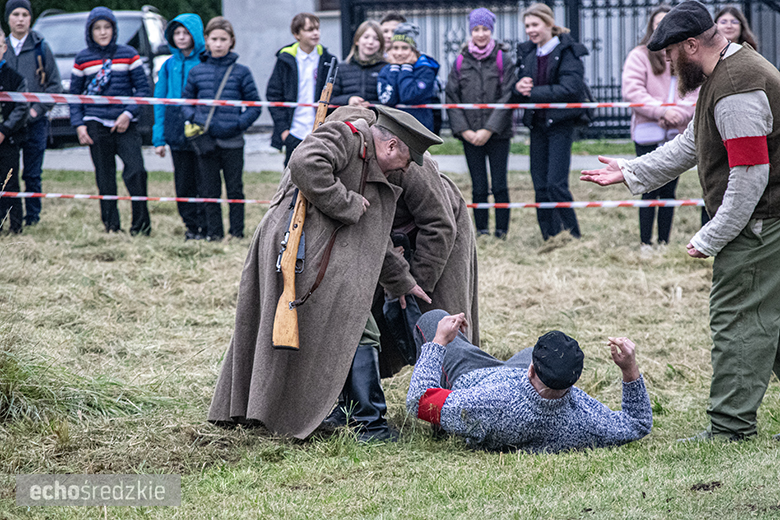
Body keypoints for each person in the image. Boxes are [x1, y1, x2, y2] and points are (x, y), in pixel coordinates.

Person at [581, 1, 780, 442]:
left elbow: (750, 177)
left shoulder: (736, 87)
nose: (667, 63)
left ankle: (729, 428)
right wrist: (630, 172)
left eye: (670, 54)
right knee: (770, 317)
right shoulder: (725, 73)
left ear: (691, 45)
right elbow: (691, 143)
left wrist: (712, 235)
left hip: (762, 222)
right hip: (767, 218)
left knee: (739, 319)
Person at [208, 105, 443, 442]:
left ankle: (349, 413)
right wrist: (345, 201)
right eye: (407, 160)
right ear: (391, 147)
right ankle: (369, 424)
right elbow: (305, 163)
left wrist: (404, 282)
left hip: (321, 253)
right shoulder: (346, 136)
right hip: (297, 248)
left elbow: (373, 236)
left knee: (353, 328)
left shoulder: (375, 166)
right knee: (357, 327)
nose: (407, 169)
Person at [323, 152, 480, 430]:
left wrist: (412, 285)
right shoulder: (336, 160)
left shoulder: (409, 161)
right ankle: (353, 405)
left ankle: (458, 411)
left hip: (439, 235)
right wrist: (395, 275)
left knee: (439, 316)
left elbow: (439, 226)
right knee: (359, 311)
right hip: (382, 242)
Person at [407, 310, 652, 452]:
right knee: (526, 351)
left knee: (433, 317)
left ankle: (439, 426)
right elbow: (637, 423)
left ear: (532, 370)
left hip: (473, 378)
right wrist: (630, 369)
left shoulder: (481, 404)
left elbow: (419, 400)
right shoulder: (584, 419)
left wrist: (439, 342)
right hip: (514, 380)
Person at [69, 7, 151, 236]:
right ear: (90, 31)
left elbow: (143, 90)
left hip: (125, 123)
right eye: (97, 28)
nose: (103, 32)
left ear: (114, 29)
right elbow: (74, 97)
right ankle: (111, 226)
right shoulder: (82, 59)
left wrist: (128, 113)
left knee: (136, 172)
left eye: (107, 27)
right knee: (105, 177)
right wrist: (79, 124)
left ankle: (141, 227)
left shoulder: (129, 55)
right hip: (95, 123)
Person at [622, 5, 697, 250]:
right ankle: (646, 242)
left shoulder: (688, 56)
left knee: (669, 190)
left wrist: (678, 114)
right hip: (648, 131)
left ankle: (664, 242)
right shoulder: (639, 55)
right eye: (658, 23)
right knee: (647, 187)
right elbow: (633, 91)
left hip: (677, 131)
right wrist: (662, 111)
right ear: (651, 27)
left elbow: (696, 92)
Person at [512, 3, 589, 241]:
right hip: (537, 126)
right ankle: (549, 236)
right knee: (540, 185)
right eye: (527, 26)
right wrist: (518, 87)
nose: (530, 30)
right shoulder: (527, 53)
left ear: (549, 24)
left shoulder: (568, 51)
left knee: (556, 183)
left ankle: (572, 235)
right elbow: (518, 92)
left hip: (560, 125)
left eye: (535, 25)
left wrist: (533, 91)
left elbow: (571, 88)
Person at [181, 16, 261, 242]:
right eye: (214, 39)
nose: (218, 43)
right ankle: (214, 234)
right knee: (209, 190)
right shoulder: (196, 71)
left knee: (235, 189)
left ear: (231, 41)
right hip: (205, 140)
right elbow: (186, 102)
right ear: (206, 40)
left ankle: (237, 233)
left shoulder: (241, 72)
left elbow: (255, 105)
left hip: (233, 141)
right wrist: (196, 120)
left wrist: (238, 124)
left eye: (223, 39)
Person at [446, 8, 516, 239]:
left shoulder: (502, 59)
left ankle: (502, 231)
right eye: (476, 29)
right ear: (470, 31)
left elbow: (508, 96)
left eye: (485, 29)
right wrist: (465, 130)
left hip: (498, 134)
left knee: (499, 184)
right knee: (478, 185)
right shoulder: (459, 61)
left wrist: (489, 129)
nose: (481, 34)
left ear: (491, 30)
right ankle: (482, 230)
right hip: (469, 134)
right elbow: (451, 96)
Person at [3, 0, 61, 227]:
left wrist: (36, 110)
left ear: (30, 18)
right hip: (9, 124)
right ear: (8, 18)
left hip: (35, 122)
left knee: (33, 174)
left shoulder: (41, 47)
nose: (20, 19)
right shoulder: (2, 46)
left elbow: (55, 87)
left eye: (24, 14)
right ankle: (10, 216)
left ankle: (32, 217)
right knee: (8, 173)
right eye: (15, 14)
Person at [153, 14, 207, 241]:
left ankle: (206, 226)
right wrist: (159, 138)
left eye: (186, 33)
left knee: (203, 180)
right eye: (177, 33)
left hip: (200, 128)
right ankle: (191, 226)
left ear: (195, 35)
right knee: (183, 182)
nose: (182, 37)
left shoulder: (205, 62)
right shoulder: (168, 65)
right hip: (176, 127)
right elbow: (159, 101)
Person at [266, 13, 338, 167]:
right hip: (294, 131)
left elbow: (335, 95)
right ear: (296, 34)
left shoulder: (328, 59)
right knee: (291, 179)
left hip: (319, 130)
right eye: (309, 29)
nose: (315, 33)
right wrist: (285, 131)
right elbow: (274, 94)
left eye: (317, 29)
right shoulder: (285, 59)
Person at [377, 22, 440, 132]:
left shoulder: (425, 70)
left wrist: (406, 68)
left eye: (405, 48)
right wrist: (395, 69)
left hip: (418, 128)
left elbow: (408, 95)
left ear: (414, 50)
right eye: (395, 48)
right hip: (393, 127)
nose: (399, 53)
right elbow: (388, 99)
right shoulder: (386, 70)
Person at [0, 29, 29, 235]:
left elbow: (21, 108)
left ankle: (16, 226)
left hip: (8, 140)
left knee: (10, 183)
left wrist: (4, 130)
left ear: (4, 48)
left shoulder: (16, 78)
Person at [331, 20, 385, 109]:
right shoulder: (341, 68)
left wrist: (371, 105)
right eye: (366, 37)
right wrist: (348, 100)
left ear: (381, 44)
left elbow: (391, 101)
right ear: (357, 40)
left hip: (377, 119)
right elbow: (330, 99)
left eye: (376, 39)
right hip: (347, 120)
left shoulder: (386, 68)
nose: (370, 42)